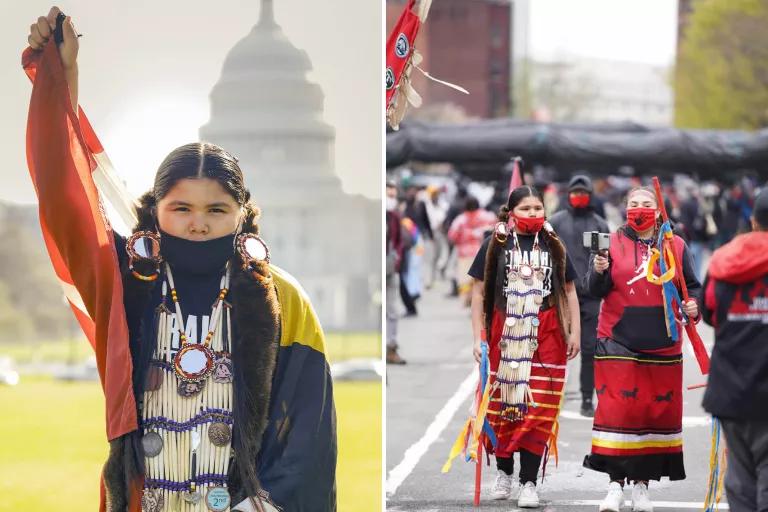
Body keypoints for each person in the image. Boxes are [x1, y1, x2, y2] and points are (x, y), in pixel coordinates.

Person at [25, 10, 336, 511]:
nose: (198, 224)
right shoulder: (126, 281)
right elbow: (65, 200)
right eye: (181, 209)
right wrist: (64, 80)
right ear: (156, 210)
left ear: (242, 214)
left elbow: (308, 435)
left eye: (217, 210)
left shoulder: (282, 297)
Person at [583, 186, 700, 512]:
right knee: (619, 415)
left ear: (658, 209)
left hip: (662, 345)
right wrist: (599, 270)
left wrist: (693, 306)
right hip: (617, 342)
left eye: (646, 204)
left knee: (652, 417)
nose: (639, 209)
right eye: (633, 203)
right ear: (624, 208)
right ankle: (614, 487)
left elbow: (691, 287)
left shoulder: (674, 245)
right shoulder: (611, 243)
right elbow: (593, 289)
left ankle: (642, 488)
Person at [468, 186, 580, 508]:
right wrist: (479, 336)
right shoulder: (495, 244)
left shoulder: (553, 244)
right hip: (504, 330)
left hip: (546, 332)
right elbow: (478, 293)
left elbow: (569, 290)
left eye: (537, 208)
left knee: (538, 410)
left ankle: (529, 482)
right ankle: (504, 471)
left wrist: (574, 332)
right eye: (526, 208)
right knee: (505, 407)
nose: (533, 213)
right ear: (512, 211)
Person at [701, 189, 768, 512]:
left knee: (741, 483)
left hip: (732, 390)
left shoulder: (724, 259)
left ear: (753, 220)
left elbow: (710, 313)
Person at [549, 175, 610, 417]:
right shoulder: (555, 222)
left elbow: (607, 259)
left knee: (589, 349)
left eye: (583, 193)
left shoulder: (600, 224)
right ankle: (550, 395)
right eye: (575, 193)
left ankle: (587, 398)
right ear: (568, 195)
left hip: (590, 296)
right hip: (560, 296)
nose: (579, 197)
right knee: (553, 347)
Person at [447, 197, 497, 307]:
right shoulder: (488, 217)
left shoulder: (460, 219)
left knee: (465, 279)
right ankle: (478, 301)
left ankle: (469, 301)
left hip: (465, 253)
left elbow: (452, 236)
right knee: (480, 279)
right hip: (483, 251)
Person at [386, 182, 406, 364]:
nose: (391, 199)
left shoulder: (394, 217)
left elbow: (400, 241)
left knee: (393, 310)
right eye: (388, 195)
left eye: (393, 196)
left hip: (392, 269)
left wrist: (396, 260)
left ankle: (391, 347)